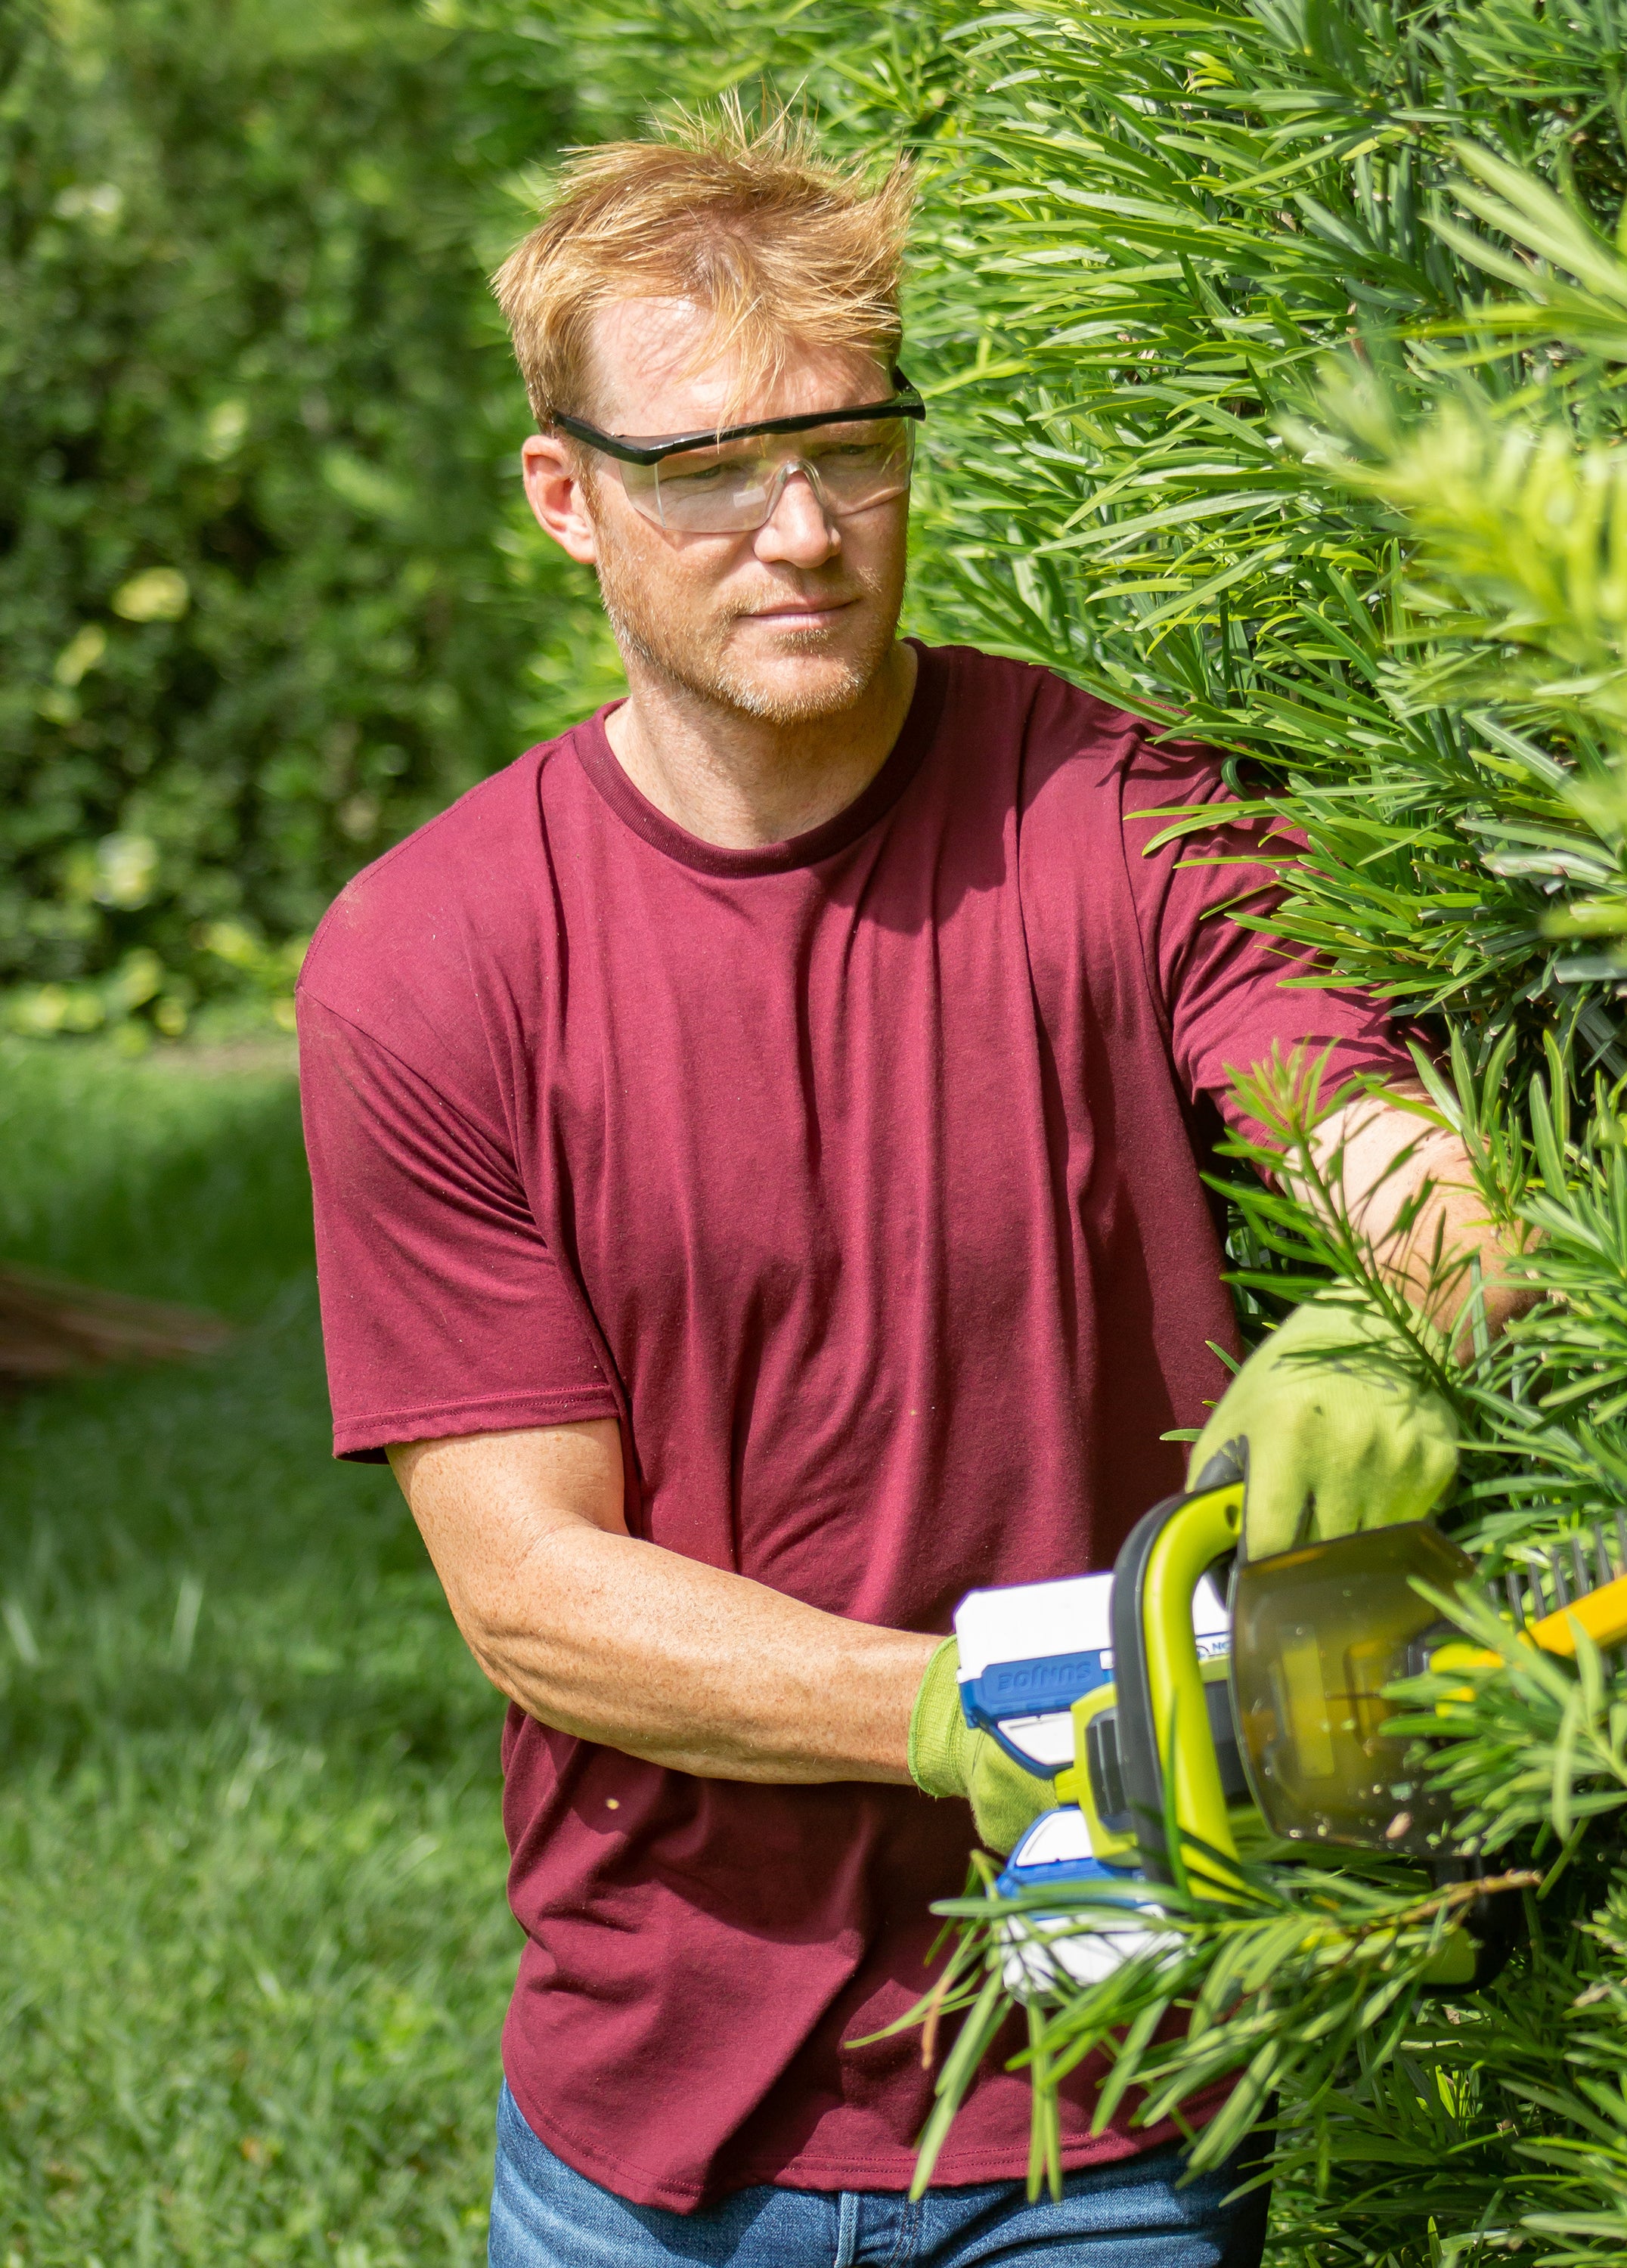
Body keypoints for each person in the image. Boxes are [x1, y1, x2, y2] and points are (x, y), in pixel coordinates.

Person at [296, 109, 1521, 2268]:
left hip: (1116, 2105)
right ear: (565, 499)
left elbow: (1392, 1153)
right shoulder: (433, 959)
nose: (800, 531)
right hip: (658, 2115)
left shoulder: (1118, 807)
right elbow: (532, 1594)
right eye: (706, 470)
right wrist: (978, 1710)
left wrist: (1397, 1308)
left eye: (850, 446)